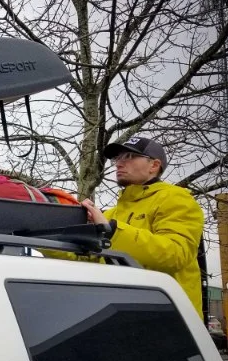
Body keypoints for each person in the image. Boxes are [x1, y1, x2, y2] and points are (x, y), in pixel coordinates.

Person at [79, 136, 205, 318]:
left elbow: (176, 254)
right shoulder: (110, 215)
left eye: (129, 156)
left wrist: (112, 231)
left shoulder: (176, 198)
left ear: (154, 166)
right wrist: (50, 233)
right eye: (117, 158)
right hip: (118, 314)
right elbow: (85, 259)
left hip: (169, 319)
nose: (119, 164)